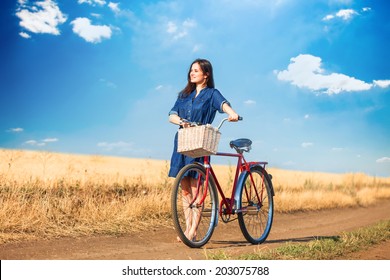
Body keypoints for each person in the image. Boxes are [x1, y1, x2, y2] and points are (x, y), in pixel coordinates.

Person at [168, 58, 239, 241]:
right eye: (191, 70)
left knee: (196, 188)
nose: (192, 73)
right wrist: (183, 122)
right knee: (184, 189)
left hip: (200, 140)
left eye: (196, 71)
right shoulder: (184, 95)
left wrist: (231, 114)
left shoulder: (211, 93)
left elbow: (223, 105)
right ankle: (187, 226)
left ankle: (192, 231)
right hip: (183, 141)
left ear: (206, 75)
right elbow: (172, 115)